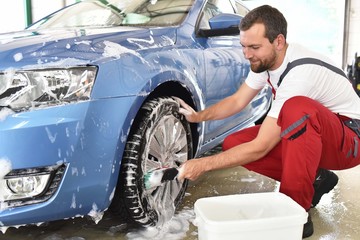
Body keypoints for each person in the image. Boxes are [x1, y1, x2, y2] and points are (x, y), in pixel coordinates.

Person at [176, 4, 360, 238]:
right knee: (234, 143)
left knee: (296, 110)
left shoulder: (299, 74)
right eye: (243, 46)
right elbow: (237, 101)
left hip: (350, 140)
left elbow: (261, 147)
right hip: (322, 133)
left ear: (279, 42)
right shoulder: (265, 62)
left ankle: (297, 214)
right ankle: (317, 178)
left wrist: (203, 164)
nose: (247, 54)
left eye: (254, 47)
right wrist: (197, 116)